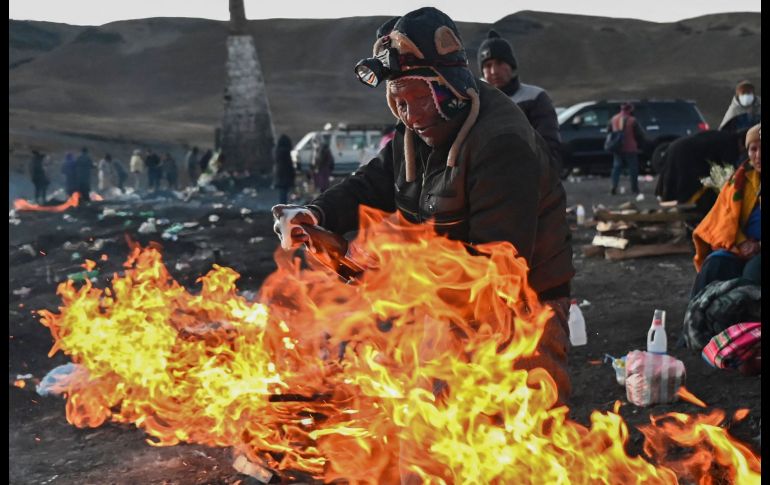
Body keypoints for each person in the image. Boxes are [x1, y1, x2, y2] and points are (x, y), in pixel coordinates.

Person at [272, 7, 574, 403]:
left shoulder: (501, 143)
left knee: (517, 435)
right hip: (448, 302)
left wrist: (383, 264)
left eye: (420, 99)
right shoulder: (417, 128)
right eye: (399, 100)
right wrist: (315, 213)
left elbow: (495, 268)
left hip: (524, 310)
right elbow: (374, 180)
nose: (411, 116)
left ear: (451, 88)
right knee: (432, 427)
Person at [690, 123, 761, 298]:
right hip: (739, 245)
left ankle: (748, 324)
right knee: (714, 264)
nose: (758, 155)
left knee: (753, 274)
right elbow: (723, 219)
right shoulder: (739, 182)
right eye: (753, 149)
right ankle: (696, 320)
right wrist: (741, 242)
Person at [477, 30, 562, 167]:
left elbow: (549, 147)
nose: (494, 71)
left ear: (511, 65)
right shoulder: (475, 103)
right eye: (488, 65)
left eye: (499, 63)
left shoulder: (535, 97)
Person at [607, 103, 647, 196]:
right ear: (630, 110)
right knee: (633, 168)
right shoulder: (632, 120)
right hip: (630, 147)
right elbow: (640, 134)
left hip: (617, 147)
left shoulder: (614, 119)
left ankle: (614, 186)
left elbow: (609, 131)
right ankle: (634, 188)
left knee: (616, 167)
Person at [272, 134, 295, 204]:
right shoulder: (286, 152)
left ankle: (282, 208)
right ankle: (284, 209)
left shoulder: (277, 151)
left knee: (282, 194)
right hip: (286, 175)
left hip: (279, 175)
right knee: (286, 194)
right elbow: (289, 166)